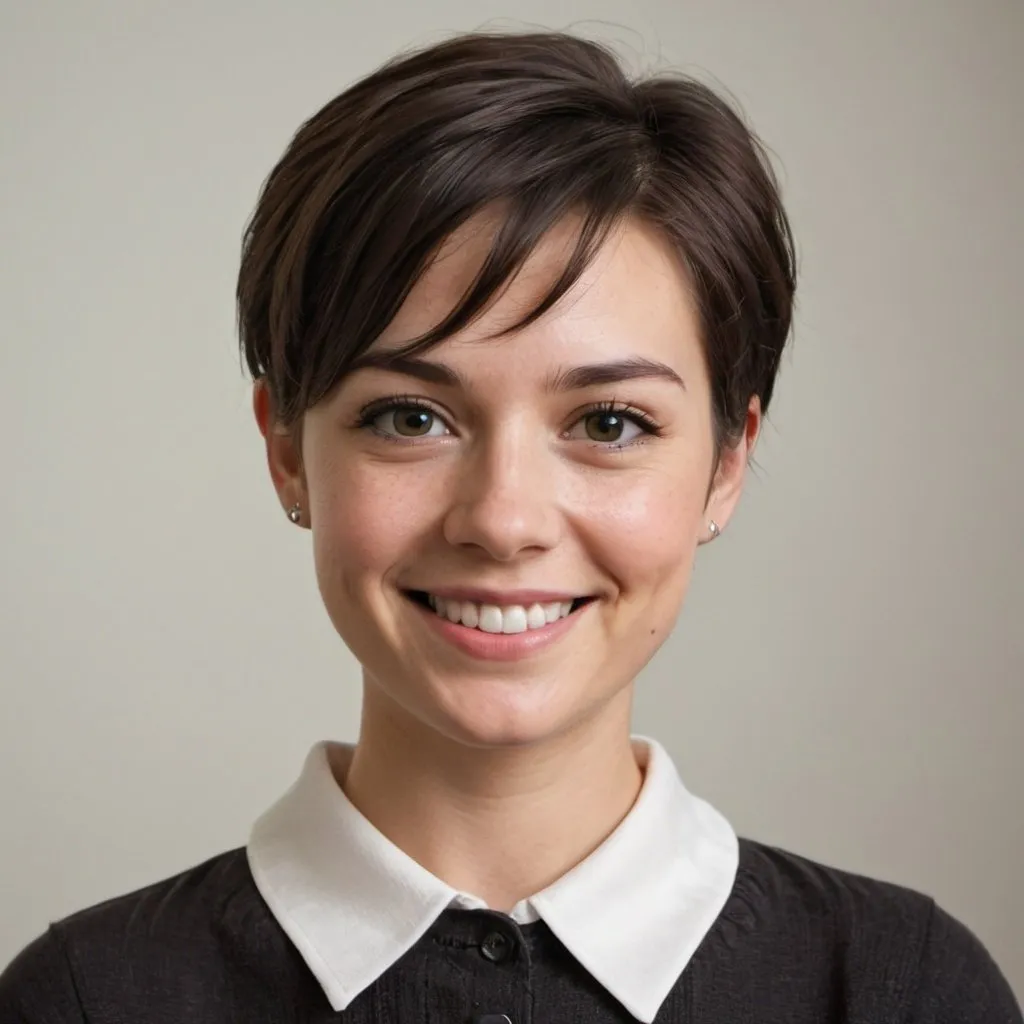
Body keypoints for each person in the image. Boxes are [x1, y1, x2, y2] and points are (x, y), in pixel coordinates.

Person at [1, 28, 1019, 1024]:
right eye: (410, 417)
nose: (502, 520)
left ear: (725, 462)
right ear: (285, 450)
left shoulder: (904, 989)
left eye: (608, 423)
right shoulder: (84, 997)